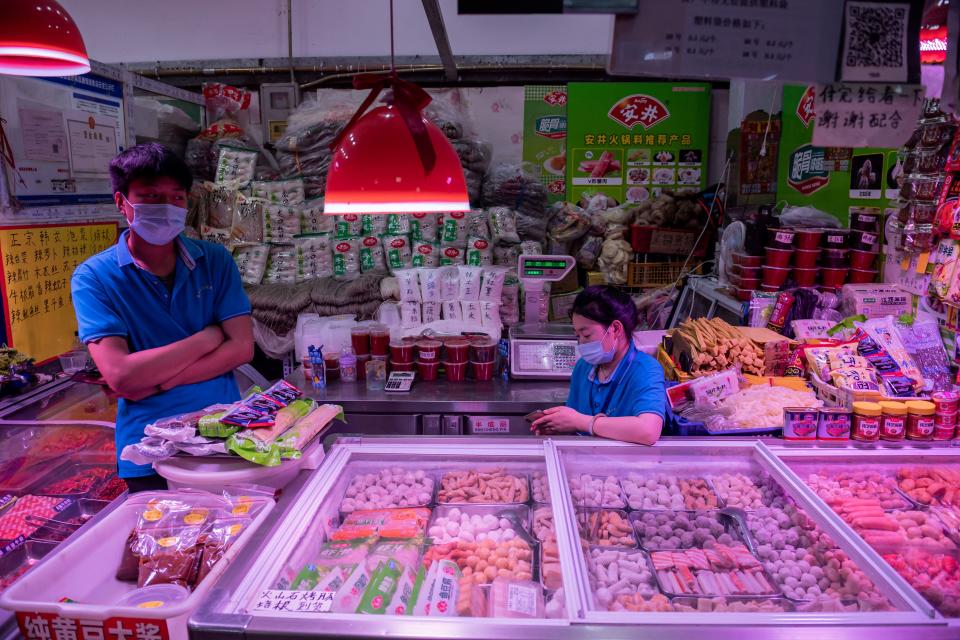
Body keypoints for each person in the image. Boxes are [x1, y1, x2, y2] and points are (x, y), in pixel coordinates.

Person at [71, 143, 254, 493]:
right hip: (147, 449)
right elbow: (121, 375)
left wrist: (159, 383)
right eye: (151, 196)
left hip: (223, 435)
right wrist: (205, 339)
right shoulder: (93, 277)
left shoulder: (215, 261)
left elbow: (242, 348)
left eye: (176, 197)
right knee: (164, 542)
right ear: (121, 202)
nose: (166, 207)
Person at [532, 285, 665, 444]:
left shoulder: (645, 369)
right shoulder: (583, 366)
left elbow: (648, 431)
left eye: (586, 334)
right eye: (577, 336)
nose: (581, 343)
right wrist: (559, 425)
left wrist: (582, 422)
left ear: (615, 329)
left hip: (627, 465)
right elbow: (575, 420)